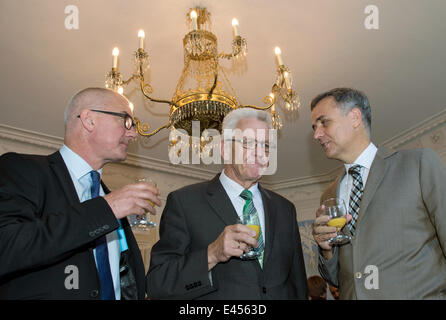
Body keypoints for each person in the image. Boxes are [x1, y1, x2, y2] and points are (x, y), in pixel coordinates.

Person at [0, 87, 161, 299]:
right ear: (89, 120)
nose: (133, 133)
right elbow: (7, 247)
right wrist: (108, 208)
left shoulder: (110, 197)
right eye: (126, 121)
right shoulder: (21, 169)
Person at [146, 108, 307, 299]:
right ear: (224, 149)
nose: (259, 153)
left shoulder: (285, 209)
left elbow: (298, 285)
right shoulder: (184, 202)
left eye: (265, 145)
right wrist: (212, 254)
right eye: (248, 143)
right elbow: (157, 284)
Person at [310, 87, 446, 299]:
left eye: (323, 122)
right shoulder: (329, 196)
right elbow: (338, 279)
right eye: (314, 127)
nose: (317, 134)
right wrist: (326, 249)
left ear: (355, 117)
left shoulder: (418, 164)